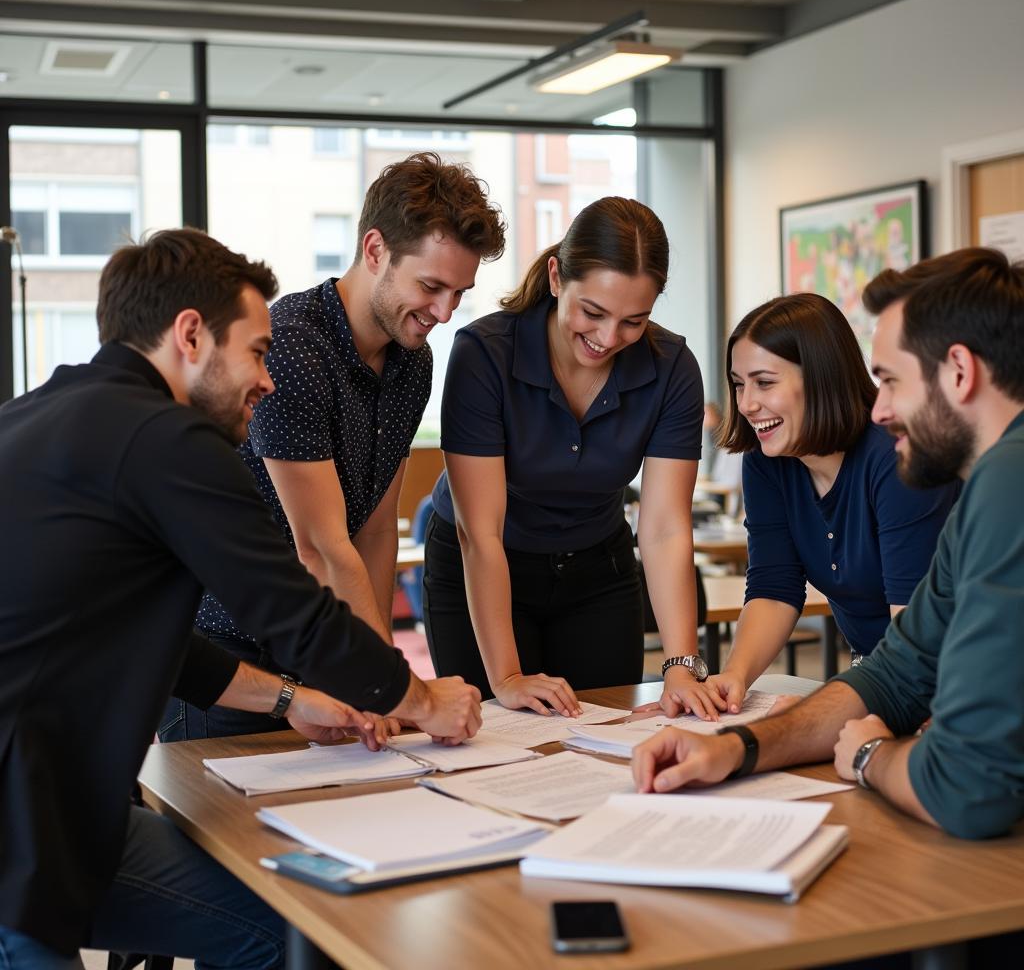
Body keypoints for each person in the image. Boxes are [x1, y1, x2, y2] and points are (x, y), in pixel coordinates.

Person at [0, 228, 481, 968]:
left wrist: (294, 701)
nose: (268, 379)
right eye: (256, 353)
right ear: (190, 335)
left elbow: (162, 643)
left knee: (289, 919)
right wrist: (419, 701)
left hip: (54, 812)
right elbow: (294, 611)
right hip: (21, 830)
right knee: (303, 930)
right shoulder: (167, 439)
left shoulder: (43, 412)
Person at [632, 246, 1024, 845]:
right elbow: (897, 676)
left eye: (891, 381)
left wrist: (870, 754)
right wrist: (738, 749)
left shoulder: (1003, 481)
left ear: (960, 372)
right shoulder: (986, 484)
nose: (883, 409)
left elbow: (967, 787)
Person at [161, 152, 506, 741]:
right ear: (374, 251)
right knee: (224, 834)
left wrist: (370, 678)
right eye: (431, 286)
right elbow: (319, 547)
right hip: (231, 661)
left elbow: (372, 529)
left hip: (318, 649)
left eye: (459, 292)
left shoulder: (413, 360)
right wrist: (398, 688)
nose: (445, 313)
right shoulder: (294, 347)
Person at [424, 196, 724, 720]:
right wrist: (508, 679)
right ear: (557, 277)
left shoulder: (672, 367)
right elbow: (481, 532)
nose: (608, 339)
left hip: (597, 571)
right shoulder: (485, 353)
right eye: (593, 312)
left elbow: (664, 528)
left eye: (634, 321)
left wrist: (680, 664)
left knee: (606, 737)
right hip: (484, 565)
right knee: (494, 742)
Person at [707, 293, 957, 713]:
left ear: (821, 378)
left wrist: (827, 710)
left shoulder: (897, 458)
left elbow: (913, 630)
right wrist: (734, 676)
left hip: (945, 685)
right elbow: (773, 587)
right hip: (879, 681)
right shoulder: (768, 460)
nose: (746, 403)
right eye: (738, 383)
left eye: (764, 382)